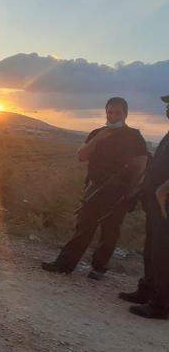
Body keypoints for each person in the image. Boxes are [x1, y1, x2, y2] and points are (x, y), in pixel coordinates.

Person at [42, 97, 148, 280]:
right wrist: (99, 138)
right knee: (83, 227)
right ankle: (65, 264)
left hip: (119, 192)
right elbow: (81, 156)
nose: (113, 116)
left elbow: (141, 165)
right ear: (106, 112)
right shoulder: (97, 133)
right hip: (95, 189)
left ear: (126, 114)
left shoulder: (134, 136)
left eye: (117, 112)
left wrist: (130, 192)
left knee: (110, 231)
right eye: (110, 112)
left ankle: (99, 268)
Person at [121, 94, 169, 319]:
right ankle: (148, 290)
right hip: (155, 203)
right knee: (152, 249)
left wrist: (161, 191)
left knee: (163, 253)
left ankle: (162, 305)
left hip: (164, 204)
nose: (167, 109)